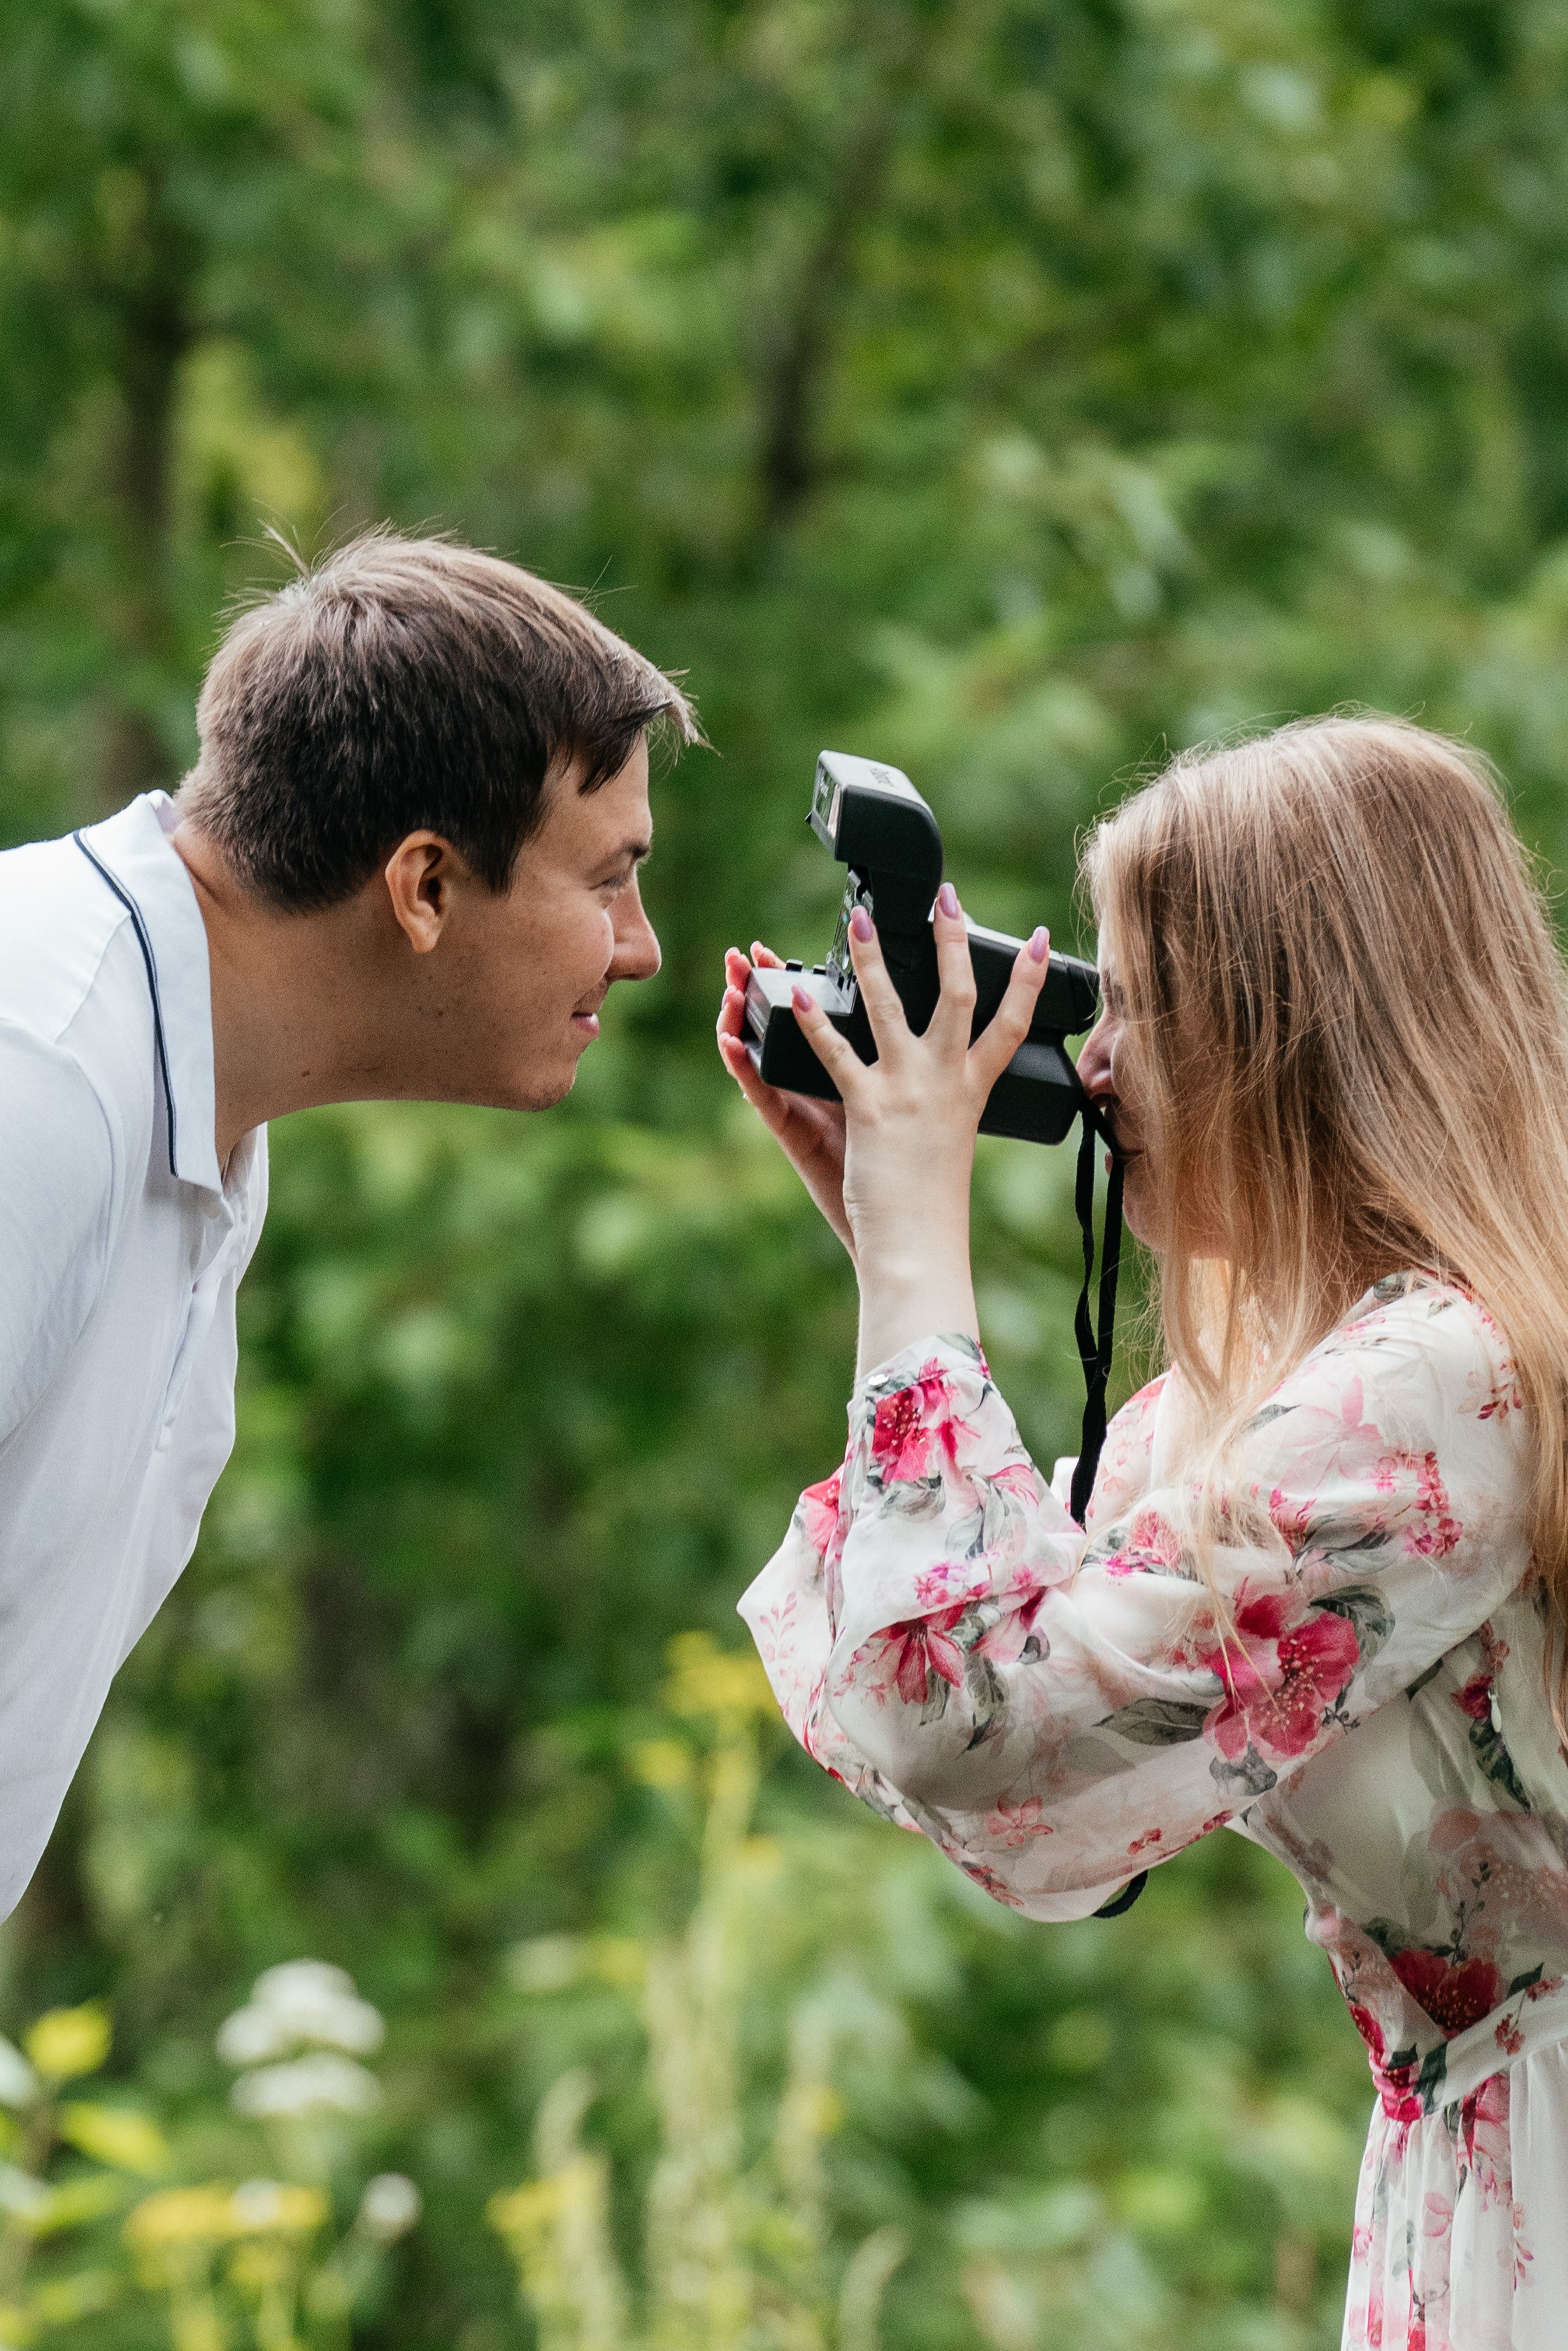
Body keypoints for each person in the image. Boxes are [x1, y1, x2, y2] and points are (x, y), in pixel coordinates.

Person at [718, 716, 1568, 2351]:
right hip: (1469, 2183)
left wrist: (919, 1246)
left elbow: (985, 1730)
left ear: (1294, 1028)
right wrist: (881, 1244)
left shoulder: (1439, 1382)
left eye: (1139, 1002)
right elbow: (975, 1706)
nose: (1091, 1064)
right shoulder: (1277, 1396)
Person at [0, 530, 696, 1926]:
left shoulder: (196, 1098)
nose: (639, 945)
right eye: (607, 876)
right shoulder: (39, 1070)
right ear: (425, 884)